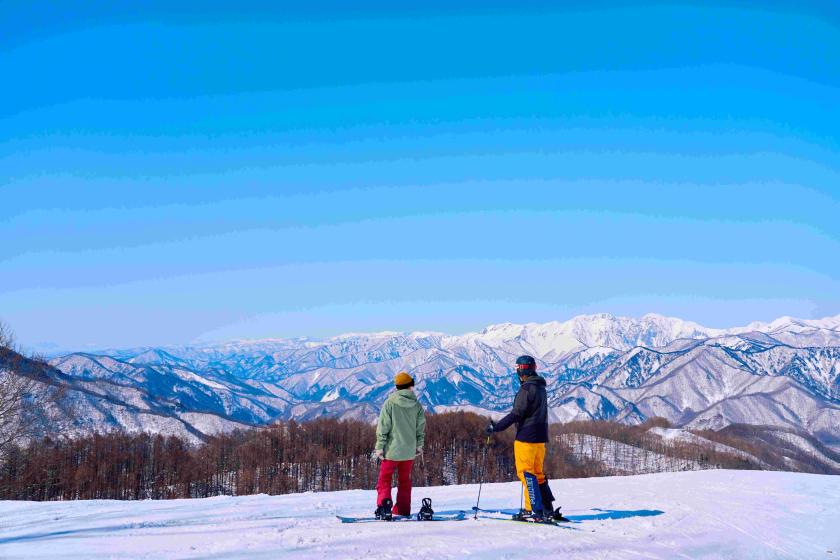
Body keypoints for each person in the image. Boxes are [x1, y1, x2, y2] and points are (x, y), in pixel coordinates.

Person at [485, 355, 561, 520]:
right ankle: (547, 508)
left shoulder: (526, 389)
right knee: (538, 474)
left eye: (517, 369)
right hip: (540, 438)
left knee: (526, 473)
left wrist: (496, 427)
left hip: (526, 437)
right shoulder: (541, 387)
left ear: (521, 370)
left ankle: (532, 509)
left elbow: (516, 414)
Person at [373, 371, 426, 518]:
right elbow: (420, 428)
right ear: (410, 386)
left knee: (384, 480)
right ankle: (402, 510)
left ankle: (384, 507)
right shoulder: (417, 405)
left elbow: (383, 427)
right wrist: (419, 445)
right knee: (405, 482)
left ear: (397, 387)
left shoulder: (390, 403)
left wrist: (379, 447)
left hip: (391, 451)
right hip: (409, 452)